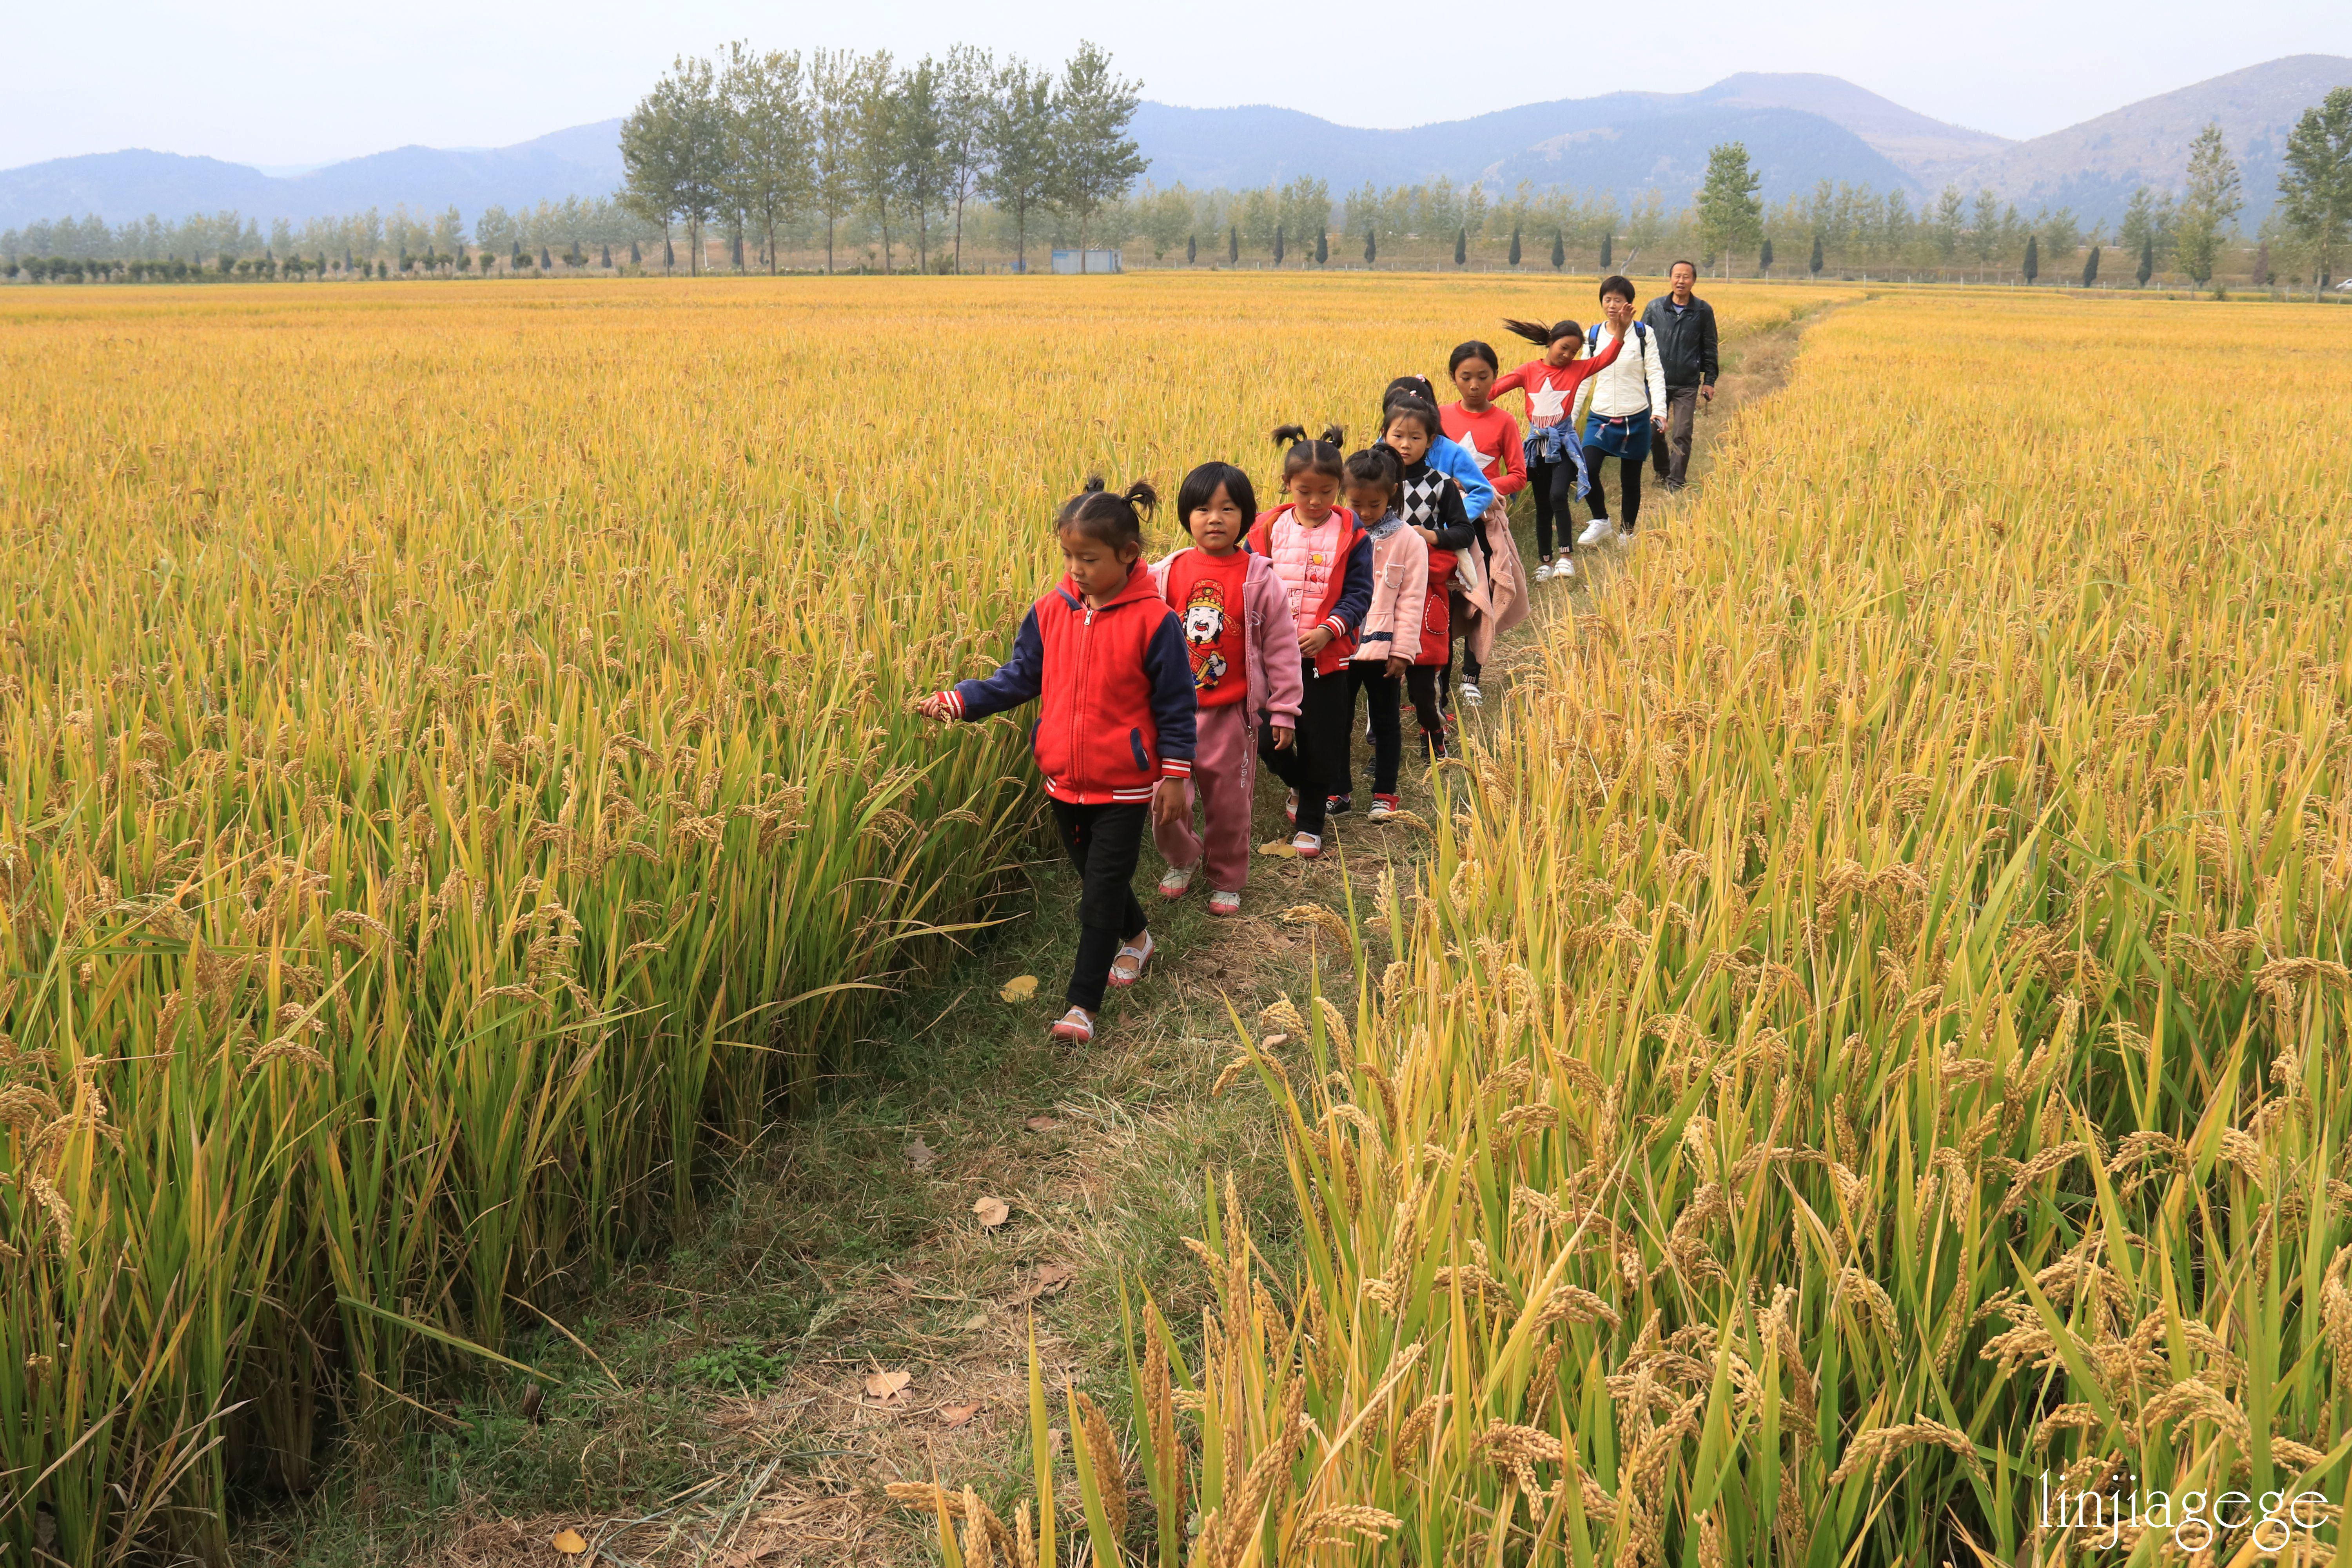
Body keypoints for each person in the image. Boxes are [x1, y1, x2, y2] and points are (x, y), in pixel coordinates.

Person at [916, 480, 1196, 1046]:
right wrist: (962, 700)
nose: (1076, 569)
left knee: (1098, 895)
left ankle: (1081, 1007)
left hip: (1123, 785)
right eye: (1068, 556)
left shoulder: (1155, 622)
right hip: (1062, 780)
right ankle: (1139, 939)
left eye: (1088, 559)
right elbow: (1019, 678)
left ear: (1129, 556)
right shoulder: (1051, 611)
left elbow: (1176, 704)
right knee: (1097, 877)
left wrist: (1174, 775)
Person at [1150, 461, 1303, 917]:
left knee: (1229, 804)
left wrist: (1284, 709)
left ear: (1247, 516)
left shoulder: (1260, 577)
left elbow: (1282, 647)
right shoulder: (1165, 574)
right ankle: (1182, 858)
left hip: (1232, 714)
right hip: (1171, 715)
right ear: (1185, 516)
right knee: (1164, 798)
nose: (1214, 518)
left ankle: (1227, 875)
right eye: (1202, 508)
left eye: (1227, 508)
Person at [1250, 425, 1372, 859]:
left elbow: (1360, 593)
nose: (1317, 501)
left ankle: (1311, 821)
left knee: (1322, 741)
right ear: (1287, 485)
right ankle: (1298, 783)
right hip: (1269, 660)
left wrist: (1330, 630)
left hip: (1325, 659)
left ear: (1341, 487)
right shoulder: (1264, 530)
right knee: (1265, 738)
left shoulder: (1352, 534)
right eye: (1306, 491)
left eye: (1328, 491)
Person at [1494, 319, 1624, 579]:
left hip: (1564, 443)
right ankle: (1545, 562)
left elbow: (1606, 359)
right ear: (1551, 342)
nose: (1567, 355)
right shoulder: (1528, 371)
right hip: (1537, 446)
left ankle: (1566, 557)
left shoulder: (1577, 370)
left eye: (1573, 352)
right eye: (1563, 348)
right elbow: (1493, 390)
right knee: (1543, 505)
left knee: (1557, 496)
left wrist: (1620, 330)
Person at [1377, 399, 1474, 751]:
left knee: (1427, 662)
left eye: (1415, 437)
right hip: (1382, 585)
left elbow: (1465, 531)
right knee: (1380, 664)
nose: (1405, 444)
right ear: (1384, 435)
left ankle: (1432, 727)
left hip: (1428, 584)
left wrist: (1431, 536)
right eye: (1397, 435)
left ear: (1431, 440)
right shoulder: (1376, 482)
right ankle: (1383, 740)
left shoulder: (1441, 484)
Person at [1338, 444, 1426, 824]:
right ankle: (1336, 791)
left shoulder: (1410, 541)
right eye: (1356, 503)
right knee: (1337, 721)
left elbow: (1412, 600)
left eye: (1373, 505)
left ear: (1391, 493)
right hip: (1341, 646)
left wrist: (1403, 650)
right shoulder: (1337, 533)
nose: (1364, 513)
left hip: (1384, 651)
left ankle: (1385, 794)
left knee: (1387, 721)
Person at [1573, 275, 1668, 547]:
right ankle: (1601, 521)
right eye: (1608, 299)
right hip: (1600, 417)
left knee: (1631, 479)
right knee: (1587, 468)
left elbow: (1655, 373)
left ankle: (1627, 533)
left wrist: (1659, 411)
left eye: (1618, 300)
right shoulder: (1594, 335)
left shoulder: (1642, 334)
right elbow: (1583, 378)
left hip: (1635, 415)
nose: (1612, 305)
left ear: (1630, 304)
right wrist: (1571, 416)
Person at [1642, 260, 1719, 493]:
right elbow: (1640, 344)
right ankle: (1663, 471)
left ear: (1694, 281)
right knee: (1654, 432)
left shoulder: (1703, 311)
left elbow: (1710, 347)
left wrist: (1710, 381)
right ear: (1670, 278)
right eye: (1677, 276)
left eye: (1686, 277)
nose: (1681, 281)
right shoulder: (1655, 308)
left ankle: (1676, 481)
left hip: (1687, 383)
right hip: (1657, 382)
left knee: (1682, 432)